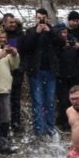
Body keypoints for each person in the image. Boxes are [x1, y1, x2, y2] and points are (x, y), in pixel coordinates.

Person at [21, 8, 64, 137]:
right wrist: (36, 33)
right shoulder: (30, 31)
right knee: (38, 102)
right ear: (35, 18)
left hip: (50, 71)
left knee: (50, 101)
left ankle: (50, 129)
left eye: (43, 18)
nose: (41, 20)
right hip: (36, 71)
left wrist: (49, 31)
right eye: (38, 18)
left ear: (47, 18)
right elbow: (25, 48)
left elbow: (61, 43)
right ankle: (39, 130)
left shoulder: (53, 31)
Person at [0, 13, 26, 133]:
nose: (13, 25)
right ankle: (2, 126)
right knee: (1, 100)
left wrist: (22, 66)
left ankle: (16, 124)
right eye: (10, 23)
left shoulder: (20, 35)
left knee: (15, 100)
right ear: (4, 23)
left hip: (17, 71)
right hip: (1, 71)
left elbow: (24, 52)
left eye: (14, 22)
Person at [53, 23, 79, 132]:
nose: (64, 34)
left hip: (74, 74)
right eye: (62, 33)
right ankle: (64, 121)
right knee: (63, 100)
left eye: (65, 32)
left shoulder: (73, 40)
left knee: (77, 98)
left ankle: (78, 120)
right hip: (61, 76)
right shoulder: (55, 44)